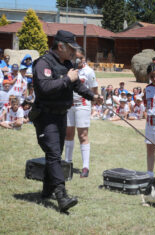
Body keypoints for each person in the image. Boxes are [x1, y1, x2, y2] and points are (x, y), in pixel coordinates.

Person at [31, 30, 102, 212]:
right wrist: (65, 79)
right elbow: (44, 88)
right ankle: (61, 195)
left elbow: (76, 84)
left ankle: (47, 190)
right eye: (71, 48)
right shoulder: (43, 63)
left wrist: (93, 96)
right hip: (46, 116)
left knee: (54, 153)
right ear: (60, 46)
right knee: (54, 154)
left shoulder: (68, 63)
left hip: (62, 114)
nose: (74, 53)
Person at [64, 49, 98, 178]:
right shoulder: (69, 68)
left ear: (84, 58)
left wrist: (93, 106)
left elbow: (94, 89)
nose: (78, 60)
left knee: (83, 135)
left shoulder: (89, 72)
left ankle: (85, 167)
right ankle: (67, 163)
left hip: (83, 105)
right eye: (75, 57)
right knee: (68, 133)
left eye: (80, 57)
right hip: (69, 105)